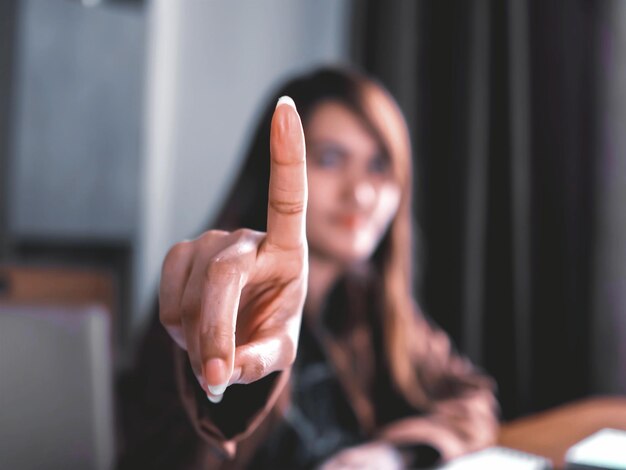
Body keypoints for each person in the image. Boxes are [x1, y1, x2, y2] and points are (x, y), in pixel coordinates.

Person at [116, 67, 499, 469]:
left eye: (379, 165)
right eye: (331, 159)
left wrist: (391, 454)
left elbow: (472, 400)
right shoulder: (209, 300)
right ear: (275, 169)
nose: (361, 192)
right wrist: (227, 382)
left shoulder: (367, 300)